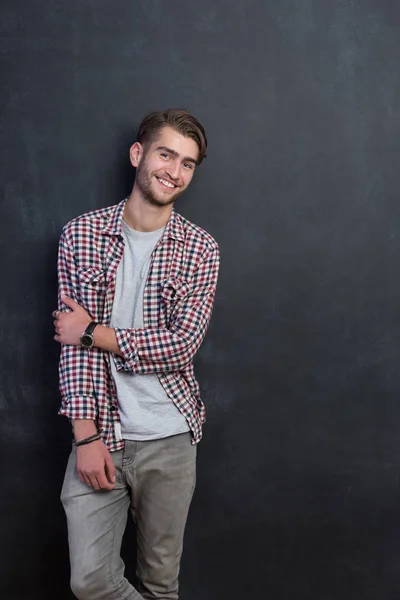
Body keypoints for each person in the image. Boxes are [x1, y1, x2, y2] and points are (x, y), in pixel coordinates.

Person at [52, 108, 220, 600]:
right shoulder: (80, 235)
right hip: (101, 431)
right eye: (166, 154)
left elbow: (180, 345)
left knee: (159, 584)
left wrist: (94, 332)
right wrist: (86, 437)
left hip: (170, 439)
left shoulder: (201, 249)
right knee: (90, 580)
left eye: (188, 163)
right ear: (138, 154)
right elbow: (71, 350)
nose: (174, 170)